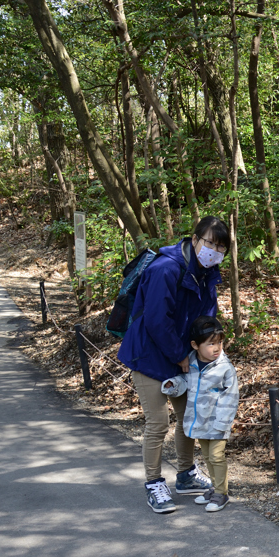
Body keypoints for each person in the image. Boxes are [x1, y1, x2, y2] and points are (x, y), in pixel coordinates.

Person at [118, 216, 229, 513]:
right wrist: (182, 356)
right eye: (209, 243)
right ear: (194, 240)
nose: (214, 251)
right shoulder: (165, 269)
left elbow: (206, 318)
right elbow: (155, 320)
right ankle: (154, 483)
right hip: (148, 354)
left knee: (186, 419)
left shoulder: (208, 273)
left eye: (221, 247)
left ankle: (185, 474)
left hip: (182, 354)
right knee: (158, 423)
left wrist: (206, 353)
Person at [161, 316, 238, 512]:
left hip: (218, 422)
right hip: (200, 422)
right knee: (207, 456)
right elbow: (186, 383)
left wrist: (224, 423)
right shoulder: (192, 362)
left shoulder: (224, 368)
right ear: (195, 345)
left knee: (217, 455)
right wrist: (173, 385)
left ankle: (222, 493)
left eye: (220, 342)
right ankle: (215, 488)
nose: (217, 347)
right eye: (211, 343)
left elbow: (231, 397)